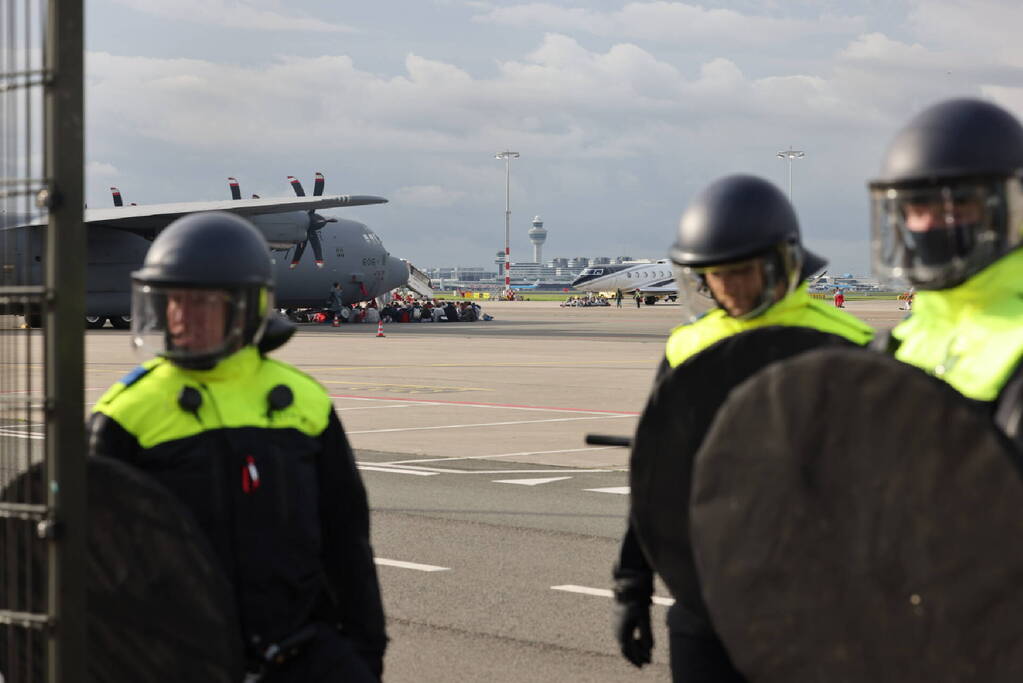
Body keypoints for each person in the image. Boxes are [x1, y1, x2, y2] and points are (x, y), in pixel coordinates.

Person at [87, 212, 387, 682]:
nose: (182, 316)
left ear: (246, 308)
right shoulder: (125, 413)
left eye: (202, 303)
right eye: (174, 301)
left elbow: (347, 541)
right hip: (177, 663)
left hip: (298, 653)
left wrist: (365, 652)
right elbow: (93, 562)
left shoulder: (304, 402)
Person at [613, 175, 873, 681]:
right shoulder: (688, 346)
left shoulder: (848, 344)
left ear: (779, 265)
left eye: (740, 272)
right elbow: (657, 477)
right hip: (708, 596)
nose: (727, 287)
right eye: (714, 275)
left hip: (820, 603)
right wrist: (632, 585)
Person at [869, 97, 1023, 444]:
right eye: (917, 207)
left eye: (958, 205)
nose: (929, 225)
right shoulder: (898, 339)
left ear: (1013, 209)